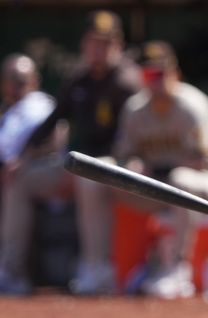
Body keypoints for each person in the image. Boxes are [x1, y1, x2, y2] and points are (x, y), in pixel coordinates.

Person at [73, 41, 208, 298]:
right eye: (150, 74)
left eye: (161, 74)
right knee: (95, 177)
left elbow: (202, 162)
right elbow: (125, 155)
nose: (156, 81)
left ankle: (177, 270)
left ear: (175, 74)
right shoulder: (135, 109)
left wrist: (158, 168)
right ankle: (97, 268)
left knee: (181, 180)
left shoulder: (192, 106)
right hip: (154, 187)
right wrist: (133, 165)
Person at [21, 10, 141, 295]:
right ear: (84, 45)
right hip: (77, 164)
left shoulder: (127, 82)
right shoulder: (79, 79)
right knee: (20, 179)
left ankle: (96, 268)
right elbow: (51, 123)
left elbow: (134, 139)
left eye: (105, 43)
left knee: (90, 176)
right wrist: (23, 156)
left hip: (119, 165)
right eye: (93, 42)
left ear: (118, 46)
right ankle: (11, 270)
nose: (98, 49)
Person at [0, 54, 60, 294]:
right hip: (12, 174)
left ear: (35, 81)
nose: (16, 85)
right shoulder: (9, 112)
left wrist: (24, 162)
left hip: (40, 173)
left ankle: (12, 272)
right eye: (11, 79)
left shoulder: (39, 104)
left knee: (16, 182)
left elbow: (55, 141)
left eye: (21, 80)